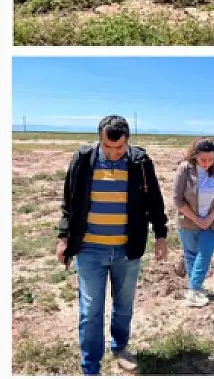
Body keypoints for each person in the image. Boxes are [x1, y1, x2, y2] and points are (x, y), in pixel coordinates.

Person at [56, 115, 168, 375]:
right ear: (99, 140)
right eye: (108, 147)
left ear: (128, 141)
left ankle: (119, 346)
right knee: (90, 311)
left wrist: (161, 235)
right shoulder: (83, 159)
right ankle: (91, 366)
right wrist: (64, 238)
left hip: (127, 251)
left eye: (120, 148)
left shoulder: (140, 162)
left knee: (124, 305)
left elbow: (155, 202)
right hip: (90, 250)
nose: (115, 153)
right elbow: (68, 203)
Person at [172, 139, 214, 308]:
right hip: (188, 222)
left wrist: (209, 219)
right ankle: (196, 288)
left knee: (205, 254)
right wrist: (197, 219)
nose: (207, 163)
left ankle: (193, 290)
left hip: (211, 223)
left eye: (211, 159)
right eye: (203, 160)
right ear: (195, 156)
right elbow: (177, 199)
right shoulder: (185, 169)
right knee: (191, 255)